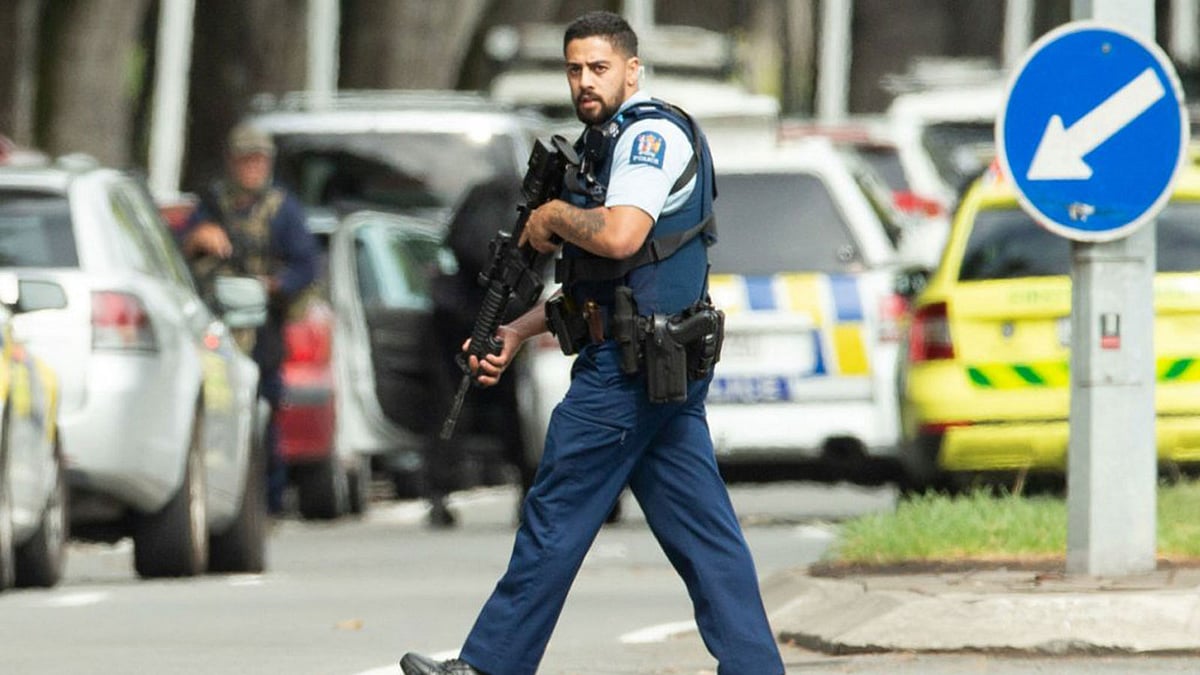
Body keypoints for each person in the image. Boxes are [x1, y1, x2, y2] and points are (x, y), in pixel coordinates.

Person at [400, 11, 785, 675]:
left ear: (631, 70)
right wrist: (520, 329)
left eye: (599, 67)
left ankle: (490, 665)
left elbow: (620, 237)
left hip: (628, 372)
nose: (585, 80)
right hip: (655, 360)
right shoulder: (605, 143)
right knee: (703, 533)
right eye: (574, 68)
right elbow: (608, 285)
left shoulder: (648, 138)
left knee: (556, 512)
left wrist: (551, 216)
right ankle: (755, 666)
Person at [179, 122, 319, 516]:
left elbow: (306, 265)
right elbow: (181, 250)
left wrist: (272, 285)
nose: (252, 168)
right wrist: (198, 238)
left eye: (259, 160)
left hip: (261, 328)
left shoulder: (282, 210)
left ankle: (266, 502)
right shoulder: (212, 205)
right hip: (216, 324)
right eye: (245, 160)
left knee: (263, 412)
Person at [425, 177, 537, 528]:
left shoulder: (485, 198)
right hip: (491, 317)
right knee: (508, 410)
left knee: (459, 407)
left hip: (480, 317)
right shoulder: (508, 201)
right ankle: (527, 488)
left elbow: (455, 240)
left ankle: (441, 493)